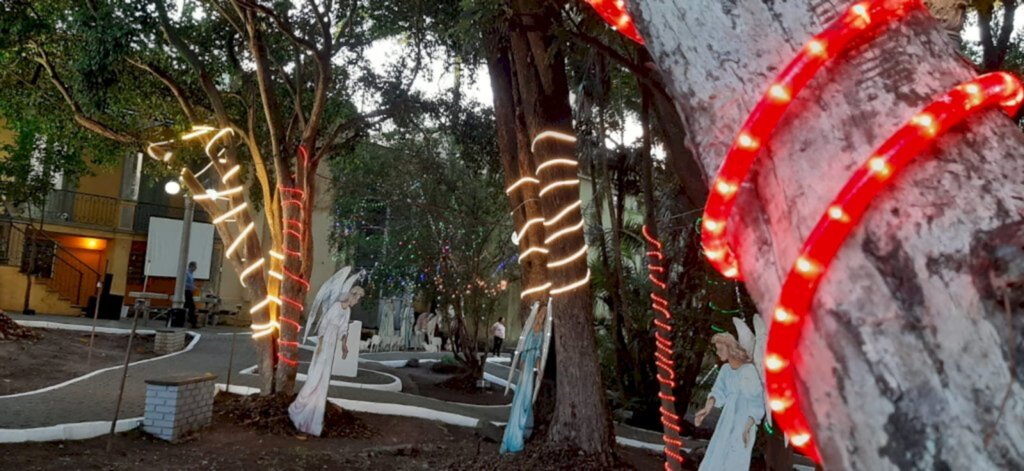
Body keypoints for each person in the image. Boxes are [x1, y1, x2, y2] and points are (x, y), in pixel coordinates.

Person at [289, 284, 364, 436]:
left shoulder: (347, 310)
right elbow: (323, 325)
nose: (358, 301)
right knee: (315, 376)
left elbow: (344, 329)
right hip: (324, 345)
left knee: (324, 379)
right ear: (352, 296)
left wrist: (344, 344)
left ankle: (313, 417)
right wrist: (321, 345)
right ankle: (298, 408)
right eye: (358, 298)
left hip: (331, 346)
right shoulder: (336, 307)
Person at [694, 332, 766, 471]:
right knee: (717, 454)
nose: (717, 352)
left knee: (734, 459)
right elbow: (718, 392)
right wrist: (707, 409)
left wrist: (748, 427)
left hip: (743, 422)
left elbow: (756, 402)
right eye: (716, 348)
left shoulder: (748, 371)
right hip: (727, 420)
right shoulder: (726, 369)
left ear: (730, 348)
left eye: (720, 349)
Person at [184, 261, 198, 328]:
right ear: (192, 266)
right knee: (192, 307)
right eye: (195, 267)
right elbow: (184, 283)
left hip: (189, 292)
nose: (196, 268)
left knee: (190, 307)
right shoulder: (187, 273)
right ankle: (192, 322)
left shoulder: (191, 274)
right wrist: (192, 287)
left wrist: (194, 286)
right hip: (186, 291)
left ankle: (191, 322)